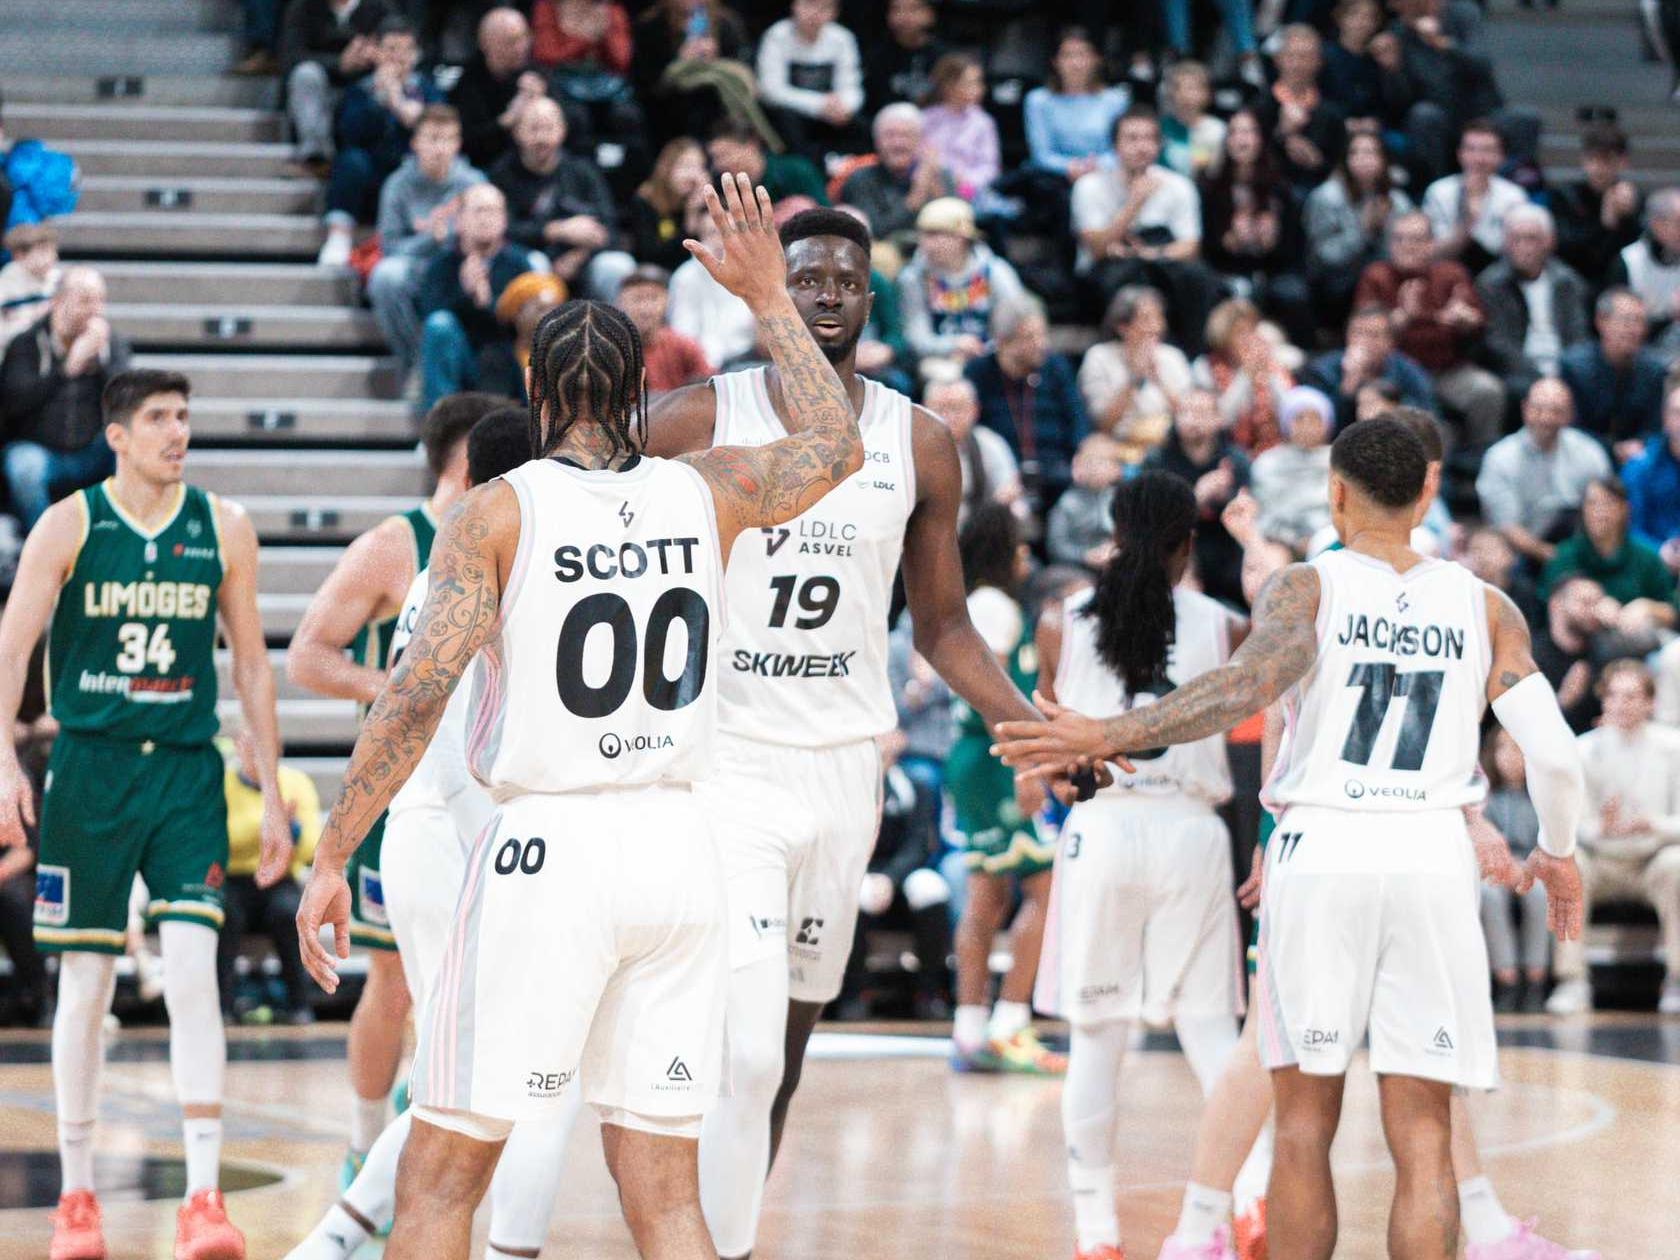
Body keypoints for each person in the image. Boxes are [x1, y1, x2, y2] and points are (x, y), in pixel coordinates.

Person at [293, 173, 865, 1260]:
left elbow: (415, 695)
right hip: (679, 849)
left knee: (442, 1176)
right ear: (644, 382)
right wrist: (766, 300)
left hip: (549, 853)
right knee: (664, 1194)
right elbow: (837, 444)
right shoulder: (713, 488)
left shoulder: (494, 514)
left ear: (531, 386)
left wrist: (333, 851)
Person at [994, 414, 1589, 1260]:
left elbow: (1244, 686)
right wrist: (1556, 851)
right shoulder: (1487, 605)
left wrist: (1108, 735)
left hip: (1325, 850)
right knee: (1422, 1131)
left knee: (1306, 1121)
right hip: (1429, 855)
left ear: (1335, 493)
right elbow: (1557, 757)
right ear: (1428, 491)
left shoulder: (1307, 588)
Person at [643, 204, 1054, 1260]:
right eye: (807, 275)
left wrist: (1032, 724)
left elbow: (945, 625)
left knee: (779, 1050)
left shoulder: (919, 440)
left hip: (844, 772)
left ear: (872, 298)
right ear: (771, 286)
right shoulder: (698, 417)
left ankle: (728, 1233)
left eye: (845, 279)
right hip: (727, 763)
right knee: (736, 1052)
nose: (827, 291)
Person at [0, 368, 291, 1260]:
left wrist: (272, 789)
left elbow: (250, 664)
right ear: (117, 436)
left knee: (197, 968)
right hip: (88, 770)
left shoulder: (225, 526)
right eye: (159, 418)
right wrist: (2, 758)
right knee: (84, 984)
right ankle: (76, 1197)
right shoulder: (71, 523)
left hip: (185, 774)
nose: (178, 432)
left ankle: (205, 1198)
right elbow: (10, 647)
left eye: (184, 417)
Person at [285, 408, 585, 1260]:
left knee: (457, 1080)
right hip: (458, 831)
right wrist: (498, 850)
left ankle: (336, 1237)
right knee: (527, 1076)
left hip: (424, 831)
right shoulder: (494, 558)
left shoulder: (456, 557)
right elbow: (449, 738)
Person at [284, 392, 493, 1205]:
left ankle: (425, 1119)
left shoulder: (513, 531)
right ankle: (365, 1145)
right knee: (394, 977)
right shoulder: (393, 543)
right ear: (463, 459)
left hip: (485, 791)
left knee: (466, 978)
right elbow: (307, 655)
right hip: (401, 793)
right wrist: (404, 690)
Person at [1035, 471, 1246, 1260]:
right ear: (1189, 544)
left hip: (1104, 830)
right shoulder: (1223, 626)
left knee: (1097, 1037)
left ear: (1114, 533)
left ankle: (1097, 1235)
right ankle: (1248, 1201)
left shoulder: (1063, 620)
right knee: (1210, 1034)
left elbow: (1049, 741)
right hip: (1191, 830)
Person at [946, 504, 1065, 1075]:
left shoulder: (980, 605)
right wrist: (1025, 766)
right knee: (1046, 888)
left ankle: (971, 1029)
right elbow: (987, 691)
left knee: (987, 895)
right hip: (996, 758)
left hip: (978, 759)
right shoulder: (992, 607)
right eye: (1018, 545)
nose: (1026, 556)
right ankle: (1010, 1023)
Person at [1549, 659, 1680, 1017]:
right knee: (1569, 867)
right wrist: (1599, 829)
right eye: (1615, 697)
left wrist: (1653, 824)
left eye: (1632, 697)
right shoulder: (1583, 750)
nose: (1622, 705)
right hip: (1602, 858)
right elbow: (1567, 824)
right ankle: (1572, 981)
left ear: (1650, 703)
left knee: (1677, 866)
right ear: (1604, 700)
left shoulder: (1673, 747)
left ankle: (1677, 979)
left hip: (1652, 858)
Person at [1353, 210, 1504, 447]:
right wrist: (1402, 317)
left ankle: (1479, 460)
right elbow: (1362, 334)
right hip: (1397, 374)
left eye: (1416, 239)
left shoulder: (1452, 274)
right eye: (1399, 239)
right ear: (1390, 243)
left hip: (1447, 370)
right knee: (1429, 426)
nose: (1407, 246)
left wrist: (1466, 322)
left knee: (1488, 391)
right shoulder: (1376, 277)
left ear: (1431, 243)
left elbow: (1479, 324)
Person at [0, 266, 132, 528]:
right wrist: (66, 369)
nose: (95, 310)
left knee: (131, 447)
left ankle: (112, 539)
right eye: (85, 300)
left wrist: (102, 363)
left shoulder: (111, 344)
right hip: (42, 451)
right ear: (58, 302)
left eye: (100, 301)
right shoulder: (26, 344)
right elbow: (12, 407)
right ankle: (46, 542)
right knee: (23, 465)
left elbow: (127, 403)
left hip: (92, 449)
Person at [1071, 106, 1211, 349]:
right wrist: (1134, 203)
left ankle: (1190, 354)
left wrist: (1149, 254)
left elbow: (1190, 246)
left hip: (1158, 261)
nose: (1141, 146)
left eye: (1149, 139)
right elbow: (1096, 248)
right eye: (1132, 138)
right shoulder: (1089, 186)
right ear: (1115, 145)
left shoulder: (1179, 185)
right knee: (1127, 279)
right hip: (1107, 270)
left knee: (1196, 277)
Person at [366, 105, 487, 381]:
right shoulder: (397, 185)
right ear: (415, 143)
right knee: (386, 275)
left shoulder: (474, 182)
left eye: (447, 139)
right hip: (418, 268)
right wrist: (430, 239)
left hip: (458, 268)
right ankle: (418, 365)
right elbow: (390, 247)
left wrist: (459, 241)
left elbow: (491, 236)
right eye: (433, 138)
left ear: (458, 144)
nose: (440, 148)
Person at [316, 17, 441, 269]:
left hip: (414, 177)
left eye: (407, 50)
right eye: (392, 49)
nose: (399, 57)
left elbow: (439, 126)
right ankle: (339, 234)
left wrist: (398, 101)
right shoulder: (360, 89)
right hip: (373, 177)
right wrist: (380, 100)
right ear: (378, 52)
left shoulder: (427, 89)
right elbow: (349, 134)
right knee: (350, 161)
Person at [218, 727, 321, 1026]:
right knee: (224, 914)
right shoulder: (222, 785)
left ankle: (301, 1005)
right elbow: (221, 842)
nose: (258, 753)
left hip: (280, 877)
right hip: (235, 877)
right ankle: (221, 1007)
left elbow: (311, 848)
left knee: (289, 913)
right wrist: (269, 828)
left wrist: (291, 832)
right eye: (251, 745)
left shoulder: (297, 782)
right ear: (238, 747)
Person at [489, 97, 633, 301]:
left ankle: (615, 331)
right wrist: (556, 231)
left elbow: (609, 228)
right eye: (534, 128)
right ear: (517, 132)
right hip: (531, 260)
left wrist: (579, 256)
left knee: (618, 265)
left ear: (562, 130)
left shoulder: (583, 172)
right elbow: (502, 229)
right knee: (536, 264)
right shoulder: (502, 175)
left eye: (548, 128)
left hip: (583, 258)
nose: (542, 138)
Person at [964, 296, 1091, 519]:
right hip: (1002, 474)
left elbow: (1077, 418)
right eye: (1029, 337)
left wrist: (1082, 455)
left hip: (1057, 468)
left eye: (1042, 334)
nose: (1041, 344)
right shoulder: (978, 372)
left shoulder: (1055, 366)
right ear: (1002, 341)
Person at [1199, 109, 1312, 347]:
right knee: (1214, 292)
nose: (1242, 139)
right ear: (1226, 141)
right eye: (1235, 132)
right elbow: (1207, 247)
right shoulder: (1211, 187)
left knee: (1293, 295)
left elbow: (1294, 248)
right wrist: (1227, 242)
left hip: (1274, 269)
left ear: (1260, 139)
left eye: (1249, 132)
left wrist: (1273, 242)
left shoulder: (1280, 187)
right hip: (1228, 269)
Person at [416, 184, 531, 410]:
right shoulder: (442, 264)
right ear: (458, 220)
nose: (486, 218)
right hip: (460, 358)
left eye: (493, 211)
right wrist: (465, 294)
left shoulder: (519, 264)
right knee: (439, 325)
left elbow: (524, 327)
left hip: (505, 362)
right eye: (479, 210)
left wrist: (487, 303)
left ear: (504, 220)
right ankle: (439, 425)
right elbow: (429, 317)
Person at [1476, 378, 1613, 567]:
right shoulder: (1500, 458)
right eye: (1538, 409)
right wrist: (1556, 557)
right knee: (1496, 558)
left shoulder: (1589, 452)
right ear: (1525, 409)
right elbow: (1507, 526)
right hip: (1520, 553)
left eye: (1556, 411)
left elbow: (1606, 507)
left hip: (1581, 547)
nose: (1546, 418)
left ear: (1569, 414)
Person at [1142, 389, 1253, 607]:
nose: (1193, 420)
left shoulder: (1235, 459)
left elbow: (1249, 515)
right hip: (1173, 551)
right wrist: (1197, 496)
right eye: (1186, 412)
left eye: (1202, 412)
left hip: (1226, 550)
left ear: (1219, 419)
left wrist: (1227, 499)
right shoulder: (1157, 461)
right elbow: (1153, 520)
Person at [1476, 204, 1591, 401]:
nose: (1524, 247)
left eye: (1531, 239)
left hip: (1565, 366)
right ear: (1506, 243)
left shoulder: (1568, 281)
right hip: (1518, 371)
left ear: (1549, 241)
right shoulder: (1491, 284)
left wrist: (1566, 370)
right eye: (1516, 239)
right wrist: (1541, 378)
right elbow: (1498, 343)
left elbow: (1577, 334)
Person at [897, 197, 1024, 374]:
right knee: (943, 374)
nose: (926, 243)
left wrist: (986, 350)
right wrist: (954, 345)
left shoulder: (995, 271)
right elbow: (916, 337)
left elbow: (1014, 323)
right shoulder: (913, 277)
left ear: (961, 238)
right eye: (923, 235)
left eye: (935, 235)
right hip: (939, 360)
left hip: (991, 356)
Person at [1540, 477, 1677, 637]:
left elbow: (1672, 611)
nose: (1599, 512)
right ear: (1582, 510)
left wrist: (1647, 607)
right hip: (1577, 644)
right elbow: (1548, 611)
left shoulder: (1646, 557)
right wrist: (1593, 607)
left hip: (1638, 641)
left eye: (1608, 503)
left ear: (1624, 509)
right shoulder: (1564, 556)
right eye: (1592, 504)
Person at [1303, 129, 1413, 327]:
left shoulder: (1398, 201)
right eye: (1356, 152)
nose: (1363, 159)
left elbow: (1403, 252)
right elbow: (1324, 256)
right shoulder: (1326, 197)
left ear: (1383, 160)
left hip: (1384, 274)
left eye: (1371, 152)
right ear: (1346, 159)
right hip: (1338, 278)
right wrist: (1363, 230)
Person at [1480, 729, 1552, 1013]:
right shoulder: (1484, 798)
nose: (1511, 758)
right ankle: (1506, 978)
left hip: (1533, 867)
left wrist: (1527, 867)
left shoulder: (1543, 797)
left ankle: (1536, 979)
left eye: (1518, 750)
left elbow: (1551, 842)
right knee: (1489, 895)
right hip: (1496, 868)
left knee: (1538, 895)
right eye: (1504, 749)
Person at [1077, 285, 1192, 454]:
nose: (1155, 327)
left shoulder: (1173, 357)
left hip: (1168, 448)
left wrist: (1158, 379)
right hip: (1117, 448)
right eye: (1146, 319)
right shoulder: (1098, 357)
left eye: (1159, 318)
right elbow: (1103, 424)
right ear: (1123, 326)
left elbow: (1190, 417)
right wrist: (1134, 378)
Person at [280, 0, 392, 174]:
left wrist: (372, 56)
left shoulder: (380, 8)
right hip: (320, 86)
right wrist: (339, 63)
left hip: (363, 88)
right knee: (305, 74)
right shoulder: (302, 7)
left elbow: (397, 49)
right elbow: (290, 57)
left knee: (385, 77)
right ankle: (316, 154)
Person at [1558, 288, 1668, 460]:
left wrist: (1639, 444)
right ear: (1601, 321)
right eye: (1626, 321)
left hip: (1637, 458)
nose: (1633, 330)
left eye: (1640, 322)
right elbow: (1571, 428)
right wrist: (1613, 449)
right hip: (1582, 455)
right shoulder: (1574, 367)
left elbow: (1655, 427)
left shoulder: (1654, 371)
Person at [837, 103, 956, 260]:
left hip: (934, 256)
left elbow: (956, 226)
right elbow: (876, 231)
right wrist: (918, 193)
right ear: (877, 142)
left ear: (920, 141)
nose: (898, 143)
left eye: (906, 135)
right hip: (886, 259)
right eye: (890, 135)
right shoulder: (860, 179)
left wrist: (935, 188)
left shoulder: (939, 174)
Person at [755, 0, 866, 161]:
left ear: (834, 12)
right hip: (791, 114)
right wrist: (819, 104)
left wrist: (845, 106)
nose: (815, 13)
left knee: (860, 125)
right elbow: (771, 90)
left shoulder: (843, 38)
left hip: (832, 115)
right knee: (786, 121)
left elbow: (851, 85)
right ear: (794, 6)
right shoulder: (777, 36)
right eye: (809, 4)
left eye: (824, 7)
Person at [1301, 303, 1435, 431]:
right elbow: (1319, 429)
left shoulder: (1408, 372)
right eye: (1357, 333)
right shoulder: (1323, 371)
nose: (1363, 341)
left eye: (1373, 335)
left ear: (1390, 342)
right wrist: (1348, 388)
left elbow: (1426, 420)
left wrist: (1388, 405)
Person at [1422, 119, 1530, 276]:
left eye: (1487, 150)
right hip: (1444, 272)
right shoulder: (1438, 192)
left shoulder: (1514, 196)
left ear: (1501, 157)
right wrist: (1466, 224)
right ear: (1459, 154)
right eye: (1471, 149)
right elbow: (1431, 251)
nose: (1479, 158)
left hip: (1497, 279)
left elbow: (1514, 253)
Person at [1023, 27, 1130, 182]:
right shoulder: (1037, 100)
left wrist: (1096, 166)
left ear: (1096, 59)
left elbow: (1121, 148)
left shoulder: (1116, 100)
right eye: (1068, 56)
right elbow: (1041, 154)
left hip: (1105, 176)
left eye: (1083, 55)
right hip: (1053, 179)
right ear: (1055, 61)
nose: (1076, 64)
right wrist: (1069, 167)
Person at [1191, 298, 1295, 455]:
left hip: (1274, 451)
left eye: (1251, 330)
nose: (1247, 338)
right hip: (1226, 452)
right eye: (1240, 332)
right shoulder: (1205, 367)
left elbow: (1291, 412)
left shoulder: (1272, 363)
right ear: (1223, 335)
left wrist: (1270, 375)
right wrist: (1245, 376)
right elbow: (1221, 419)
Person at [448, 7, 546, 172]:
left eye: (524, 38)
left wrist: (544, 101)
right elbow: (468, 143)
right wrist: (507, 120)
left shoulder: (536, 73)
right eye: (511, 41)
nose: (521, 47)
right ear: (485, 44)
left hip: (534, 163)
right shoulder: (468, 83)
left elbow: (573, 121)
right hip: (487, 167)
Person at [1551, 121, 1642, 288]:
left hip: (1621, 283)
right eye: (1592, 159)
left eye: (1606, 160)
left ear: (1622, 162)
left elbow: (1640, 251)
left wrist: (1629, 218)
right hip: (1574, 281)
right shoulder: (1564, 197)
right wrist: (1604, 224)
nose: (1597, 168)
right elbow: (1564, 249)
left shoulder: (1635, 199)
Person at [1255, 25, 1345, 194]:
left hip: (1317, 193)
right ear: (1278, 59)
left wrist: (1317, 162)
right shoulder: (1260, 105)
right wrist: (1281, 134)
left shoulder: (1331, 113)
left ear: (1318, 62)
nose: (1298, 64)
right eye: (1291, 56)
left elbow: (1340, 164)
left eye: (1306, 57)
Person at [923, 375, 1023, 524]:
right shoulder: (909, 447)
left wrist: (1005, 501)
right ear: (924, 409)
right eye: (940, 409)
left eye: (957, 408)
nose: (948, 417)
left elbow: (1009, 491)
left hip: (977, 536)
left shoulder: (990, 444)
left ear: (974, 410)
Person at [1249, 386, 1334, 552]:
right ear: (1286, 423)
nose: (1307, 426)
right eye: (1299, 418)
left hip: (1332, 542)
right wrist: (1296, 541)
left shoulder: (1338, 460)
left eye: (1315, 419)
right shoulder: (1268, 463)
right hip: (1280, 544)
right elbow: (1265, 516)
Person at [616, 264, 713, 393]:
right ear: (620, 303)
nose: (645, 309)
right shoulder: (610, 351)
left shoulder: (682, 345)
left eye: (653, 298)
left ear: (667, 301)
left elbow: (709, 387)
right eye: (637, 299)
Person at [918, 53, 1001, 201]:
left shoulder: (983, 122)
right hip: (930, 186)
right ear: (948, 85)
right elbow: (918, 156)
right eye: (970, 83)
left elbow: (990, 168)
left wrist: (966, 180)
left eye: (979, 82)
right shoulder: (925, 118)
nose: (979, 88)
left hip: (970, 191)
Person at [1606, 187, 1680, 349]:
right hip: (1638, 350)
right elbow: (1617, 324)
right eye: (1678, 223)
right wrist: (1670, 316)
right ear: (1657, 224)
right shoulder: (1628, 261)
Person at [630, 137, 713, 273]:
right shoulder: (646, 199)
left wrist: (701, 207)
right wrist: (691, 215)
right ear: (667, 167)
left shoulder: (705, 201)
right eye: (686, 166)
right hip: (658, 271)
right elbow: (651, 255)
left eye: (699, 167)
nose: (692, 174)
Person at [1622, 386, 1680, 567]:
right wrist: (1659, 553)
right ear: (1665, 418)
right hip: (1652, 564)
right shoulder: (1639, 468)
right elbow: (1628, 526)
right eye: (1678, 413)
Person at [864, 0, 948, 118]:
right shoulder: (876, 58)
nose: (905, 16)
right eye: (897, 9)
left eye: (913, 9)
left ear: (930, 14)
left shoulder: (946, 57)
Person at [1159, 61, 1225, 181]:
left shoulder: (1217, 129)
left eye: (1192, 88)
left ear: (1206, 93)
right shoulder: (1160, 127)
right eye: (1179, 88)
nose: (1186, 94)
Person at [0, 221, 60, 349]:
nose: (52, 257)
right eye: (43, 251)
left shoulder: (56, 279)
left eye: (53, 251)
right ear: (19, 255)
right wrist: (32, 318)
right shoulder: (7, 283)